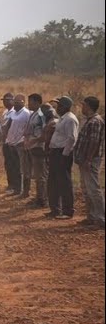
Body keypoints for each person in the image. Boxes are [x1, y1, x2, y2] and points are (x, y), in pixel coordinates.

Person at [71, 95, 104, 228]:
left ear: (89, 106)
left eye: (84, 105)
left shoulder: (95, 121)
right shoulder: (90, 120)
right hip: (85, 160)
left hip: (90, 160)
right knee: (87, 189)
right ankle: (91, 217)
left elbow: (94, 142)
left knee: (94, 190)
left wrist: (88, 159)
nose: (82, 107)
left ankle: (100, 219)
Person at [46, 95, 79, 220]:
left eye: (59, 105)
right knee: (53, 181)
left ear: (65, 107)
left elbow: (72, 138)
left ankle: (67, 210)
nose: (57, 107)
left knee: (64, 182)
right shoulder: (62, 118)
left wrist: (64, 154)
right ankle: (55, 209)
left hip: (62, 153)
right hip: (56, 152)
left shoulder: (70, 119)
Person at [23, 95, 50, 207]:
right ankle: (39, 197)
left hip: (39, 147)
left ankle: (42, 200)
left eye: (31, 102)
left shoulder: (41, 115)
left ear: (37, 102)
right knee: (37, 175)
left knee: (41, 176)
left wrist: (33, 141)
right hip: (33, 147)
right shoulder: (34, 113)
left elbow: (44, 132)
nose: (29, 104)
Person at [0, 93, 29, 195]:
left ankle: (19, 188)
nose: (15, 105)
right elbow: (6, 127)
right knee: (10, 165)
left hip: (19, 143)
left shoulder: (26, 113)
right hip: (9, 142)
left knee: (18, 167)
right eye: (4, 100)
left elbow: (26, 128)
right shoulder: (11, 113)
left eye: (17, 102)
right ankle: (13, 186)